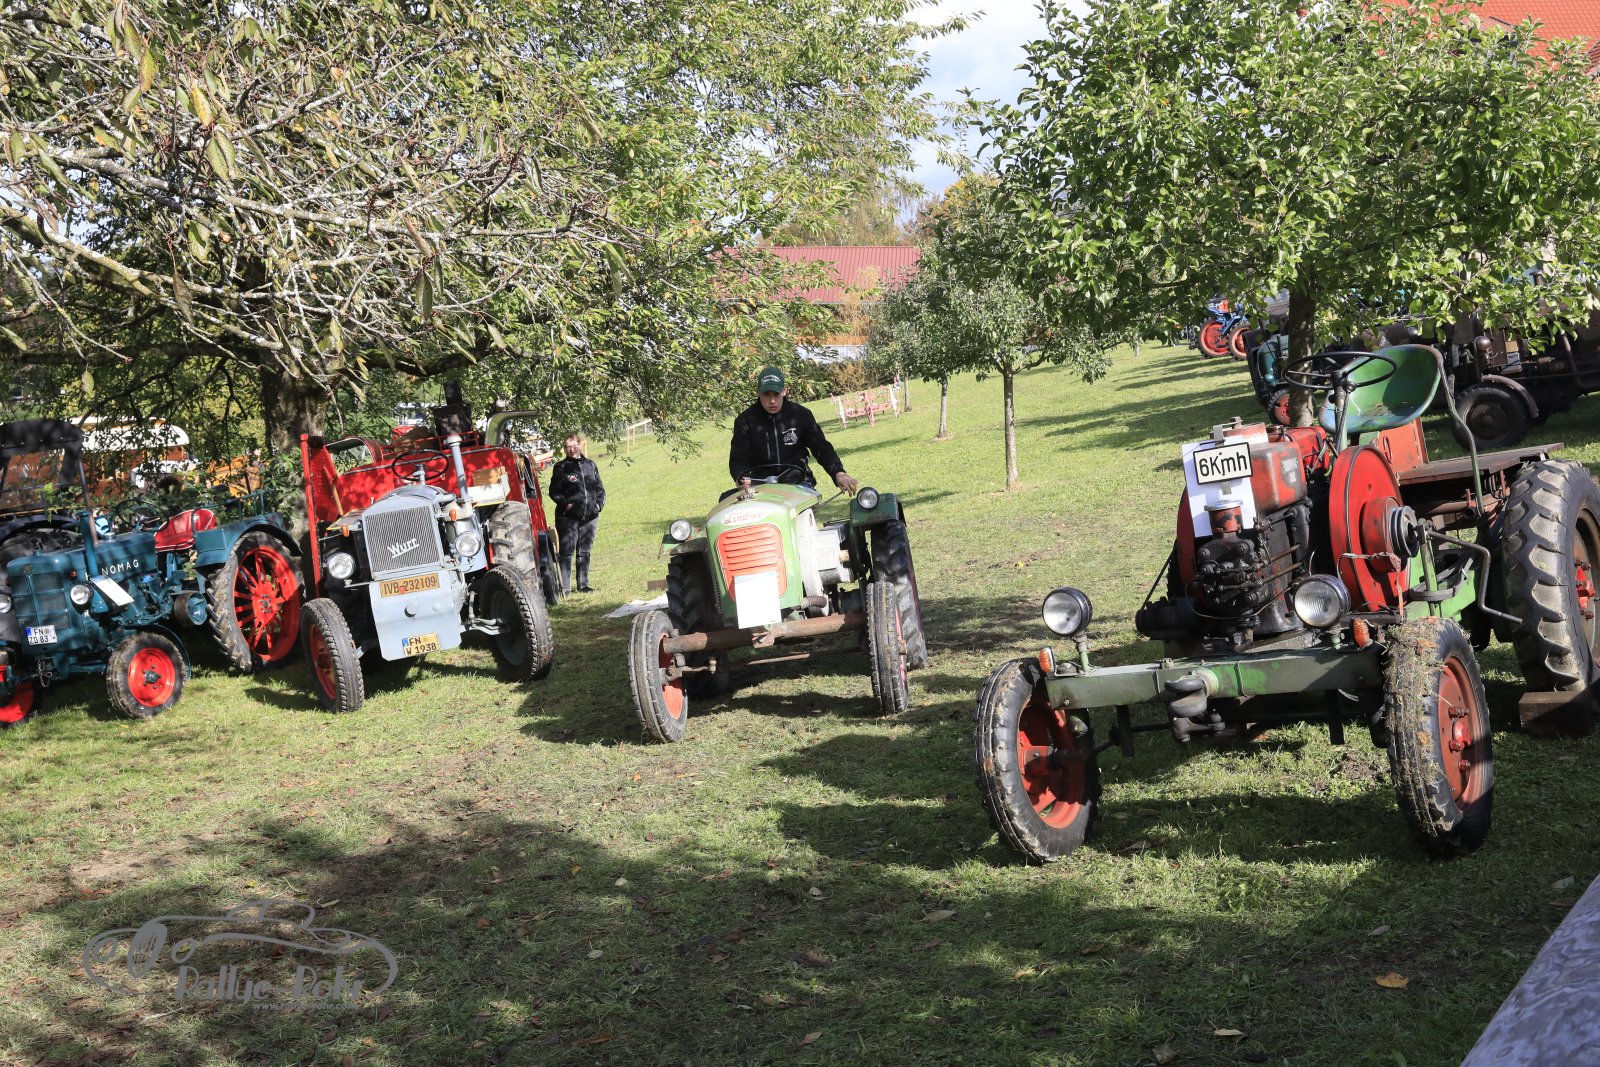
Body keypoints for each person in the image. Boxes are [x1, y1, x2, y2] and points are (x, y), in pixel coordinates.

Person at [728, 367, 860, 493]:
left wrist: (839, 473)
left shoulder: (801, 415)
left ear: (784, 391)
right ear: (757, 393)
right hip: (761, 487)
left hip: (799, 484)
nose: (772, 400)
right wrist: (741, 476)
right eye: (766, 394)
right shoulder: (745, 421)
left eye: (777, 394)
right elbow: (738, 457)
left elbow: (821, 447)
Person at [549, 433, 605, 594]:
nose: (571, 449)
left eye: (574, 445)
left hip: (590, 517)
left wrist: (598, 505)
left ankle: (583, 585)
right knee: (566, 553)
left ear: (580, 445)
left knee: (584, 552)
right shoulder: (561, 467)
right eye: (567, 447)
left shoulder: (590, 465)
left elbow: (600, 489)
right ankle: (565, 588)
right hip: (568, 519)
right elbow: (554, 492)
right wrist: (566, 504)